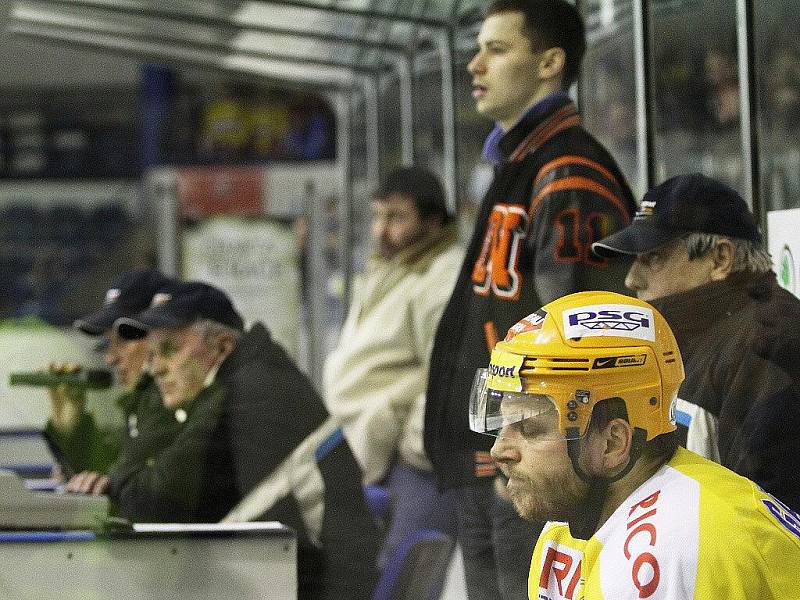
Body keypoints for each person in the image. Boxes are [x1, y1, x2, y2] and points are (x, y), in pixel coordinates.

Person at [423, 1, 636, 597]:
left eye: (496, 48)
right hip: (496, 460)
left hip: (526, 470)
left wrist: (528, 447)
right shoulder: (520, 165)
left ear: (549, 63)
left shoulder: (567, 170)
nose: (475, 64)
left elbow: (581, 331)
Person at [469, 291, 800, 599]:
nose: (499, 451)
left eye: (529, 429)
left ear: (612, 442)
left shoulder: (688, 547)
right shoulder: (565, 527)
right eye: (504, 424)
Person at [115, 281, 380, 600]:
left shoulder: (248, 397)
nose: (155, 369)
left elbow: (156, 505)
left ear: (223, 346)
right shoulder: (255, 374)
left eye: (170, 349)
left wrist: (116, 477)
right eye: (152, 354)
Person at [592, 173, 800, 509]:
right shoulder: (690, 338)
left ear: (720, 259)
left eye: (653, 257)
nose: (632, 278)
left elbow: (773, 525)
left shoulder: (768, 346)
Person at [323, 166, 463, 565]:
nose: (380, 230)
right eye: (377, 216)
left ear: (433, 221)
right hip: (373, 452)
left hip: (412, 466)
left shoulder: (442, 275)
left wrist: (416, 449)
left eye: (396, 217)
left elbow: (447, 373)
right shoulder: (395, 266)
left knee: (404, 581)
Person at [42, 269, 178, 494]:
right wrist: (70, 426)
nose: (110, 358)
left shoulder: (168, 406)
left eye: (125, 339)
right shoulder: (141, 406)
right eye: (108, 343)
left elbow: (122, 489)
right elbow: (104, 476)